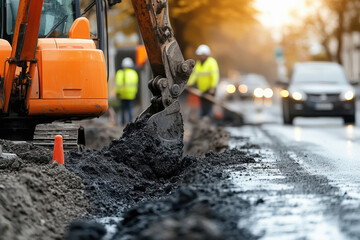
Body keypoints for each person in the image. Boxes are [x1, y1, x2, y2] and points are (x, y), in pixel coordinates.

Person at [187, 44, 219, 117]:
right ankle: (203, 120)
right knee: (203, 106)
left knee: (208, 107)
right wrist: (189, 83)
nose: (200, 56)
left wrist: (213, 87)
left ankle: (208, 121)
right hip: (202, 90)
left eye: (202, 54)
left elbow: (215, 76)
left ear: (206, 54)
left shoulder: (212, 62)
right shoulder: (198, 64)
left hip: (210, 89)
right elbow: (194, 75)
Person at [116, 57, 139, 126]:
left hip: (122, 94)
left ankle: (122, 122)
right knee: (130, 108)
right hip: (131, 94)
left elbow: (118, 84)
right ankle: (130, 122)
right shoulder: (134, 73)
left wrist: (118, 93)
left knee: (123, 109)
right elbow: (136, 84)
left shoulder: (119, 73)